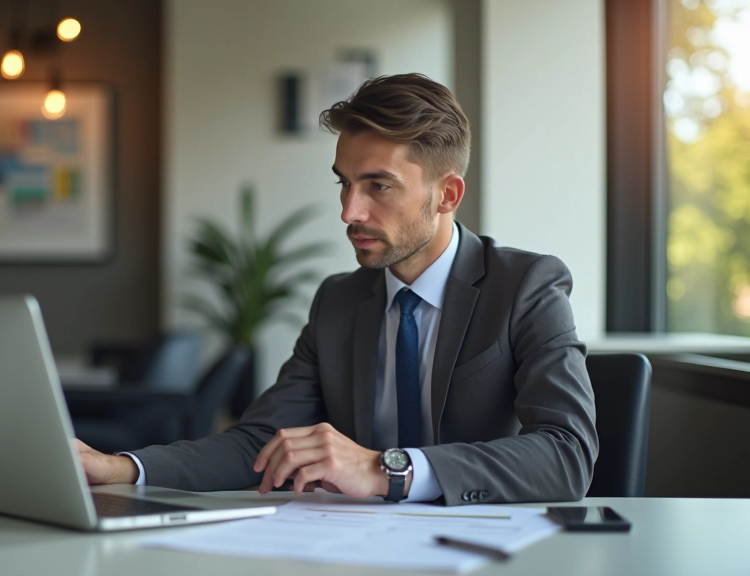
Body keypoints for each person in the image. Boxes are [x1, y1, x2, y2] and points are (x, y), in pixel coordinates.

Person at [76, 73, 598, 506]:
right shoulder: (339, 301)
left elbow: (567, 453)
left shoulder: (526, 286)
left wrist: (386, 470)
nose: (350, 212)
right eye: (344, 183)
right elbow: (261, 441)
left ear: (447, 194)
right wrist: (120, 467)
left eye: (379, 185)